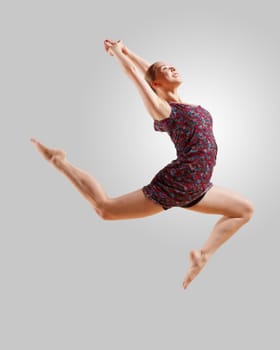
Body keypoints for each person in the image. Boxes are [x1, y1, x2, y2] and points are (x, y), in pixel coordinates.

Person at [31, 39, 254, 290]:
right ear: (157, 85)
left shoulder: (188, 104)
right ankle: (59, 161)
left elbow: (151, 71)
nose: (173, 68)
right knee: (106, 209)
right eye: (166, 69)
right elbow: (137, 76)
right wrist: (117, 54)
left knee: (244, 210)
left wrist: (128, 50)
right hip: (180, 182)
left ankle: (203, 255)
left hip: (199, 185)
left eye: (172, 66)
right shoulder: (163, 109)